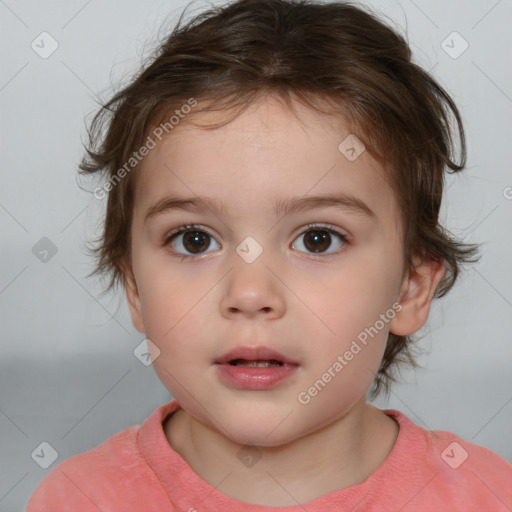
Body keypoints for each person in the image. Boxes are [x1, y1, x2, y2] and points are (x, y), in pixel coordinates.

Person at [26, 0, 512, 510]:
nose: (251, 293)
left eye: (318, 239)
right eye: (194, 240)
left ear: (411, 287)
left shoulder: (489, 496)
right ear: (134, 286)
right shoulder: (78, 499)